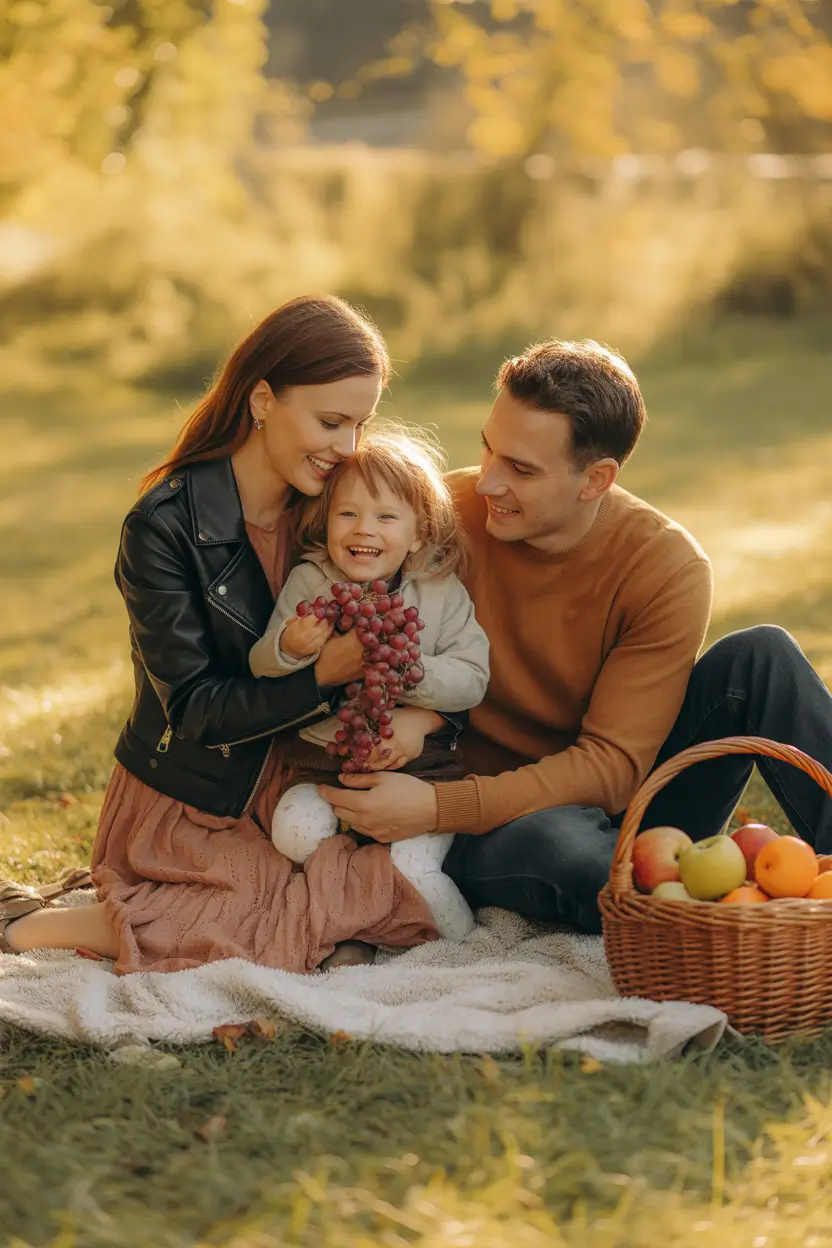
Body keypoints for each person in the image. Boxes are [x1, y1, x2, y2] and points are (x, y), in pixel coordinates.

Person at [322, 339, 832, 933]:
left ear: (596, 479)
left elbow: (613, 767)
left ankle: (688, 898)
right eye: (489, 449)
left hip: (617, 806)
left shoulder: (665, 566)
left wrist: (438, 806)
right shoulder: (441, 513)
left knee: (762, 654)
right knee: (565, 846)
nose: (487, 482)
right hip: (482, 814)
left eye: (522, 469)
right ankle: (699, 919)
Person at [0, 295, 443, 969]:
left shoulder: (339, 507)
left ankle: (193, 908)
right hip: (194, 794)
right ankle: (29, 926)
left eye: (361, 424)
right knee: (260, 923)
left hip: (294, 781)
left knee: (378, 896)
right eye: (330, 421)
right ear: (262, 400)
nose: (348, 447)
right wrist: (324, 677)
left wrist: (420, 717)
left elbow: (426, 543)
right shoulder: (164, 527)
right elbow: (196, 707)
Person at [251, 427, 489, 943]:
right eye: (348, 514)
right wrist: (290, 647)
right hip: (324, 767)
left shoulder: (440, 592)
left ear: (419, 533)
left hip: (421, 773)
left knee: (413, 865)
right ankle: (354, 913)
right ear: (326, 519)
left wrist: (413, 673)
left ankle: (463, 950)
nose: (365, 530)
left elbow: (473, 679)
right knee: (294, 834)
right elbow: (261, 665)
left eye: (386, 517)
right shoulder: (312, 582)